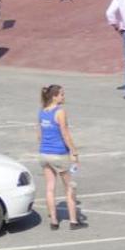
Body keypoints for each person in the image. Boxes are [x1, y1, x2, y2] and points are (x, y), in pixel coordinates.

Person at [37, 85, 87, 230]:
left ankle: (53, 221)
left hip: (44, 154)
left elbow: (39, 134)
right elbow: (65, 134)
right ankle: (73, 221)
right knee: (69, 187)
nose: (63, 97)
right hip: (59, 154)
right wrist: (74, 151)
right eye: (61, 95)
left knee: (50, 188)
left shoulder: (42, 112)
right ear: (54, 96)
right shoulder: (59, 112)